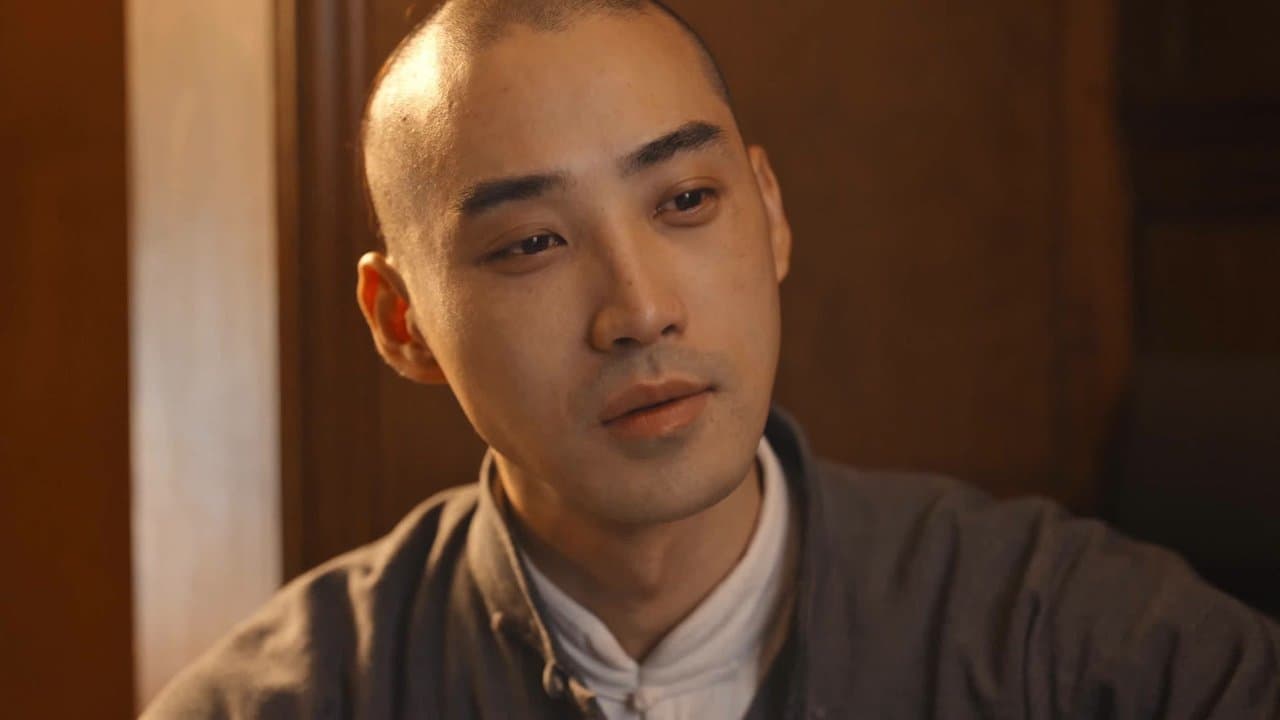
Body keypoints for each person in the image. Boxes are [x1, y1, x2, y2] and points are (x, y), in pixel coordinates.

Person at [142, 1, 1280, 718]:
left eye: (686, 201)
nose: (639, 310)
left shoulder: (1074, 643)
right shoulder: (279, 702)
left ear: (770, 214)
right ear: (401, 321)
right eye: (531, 243)